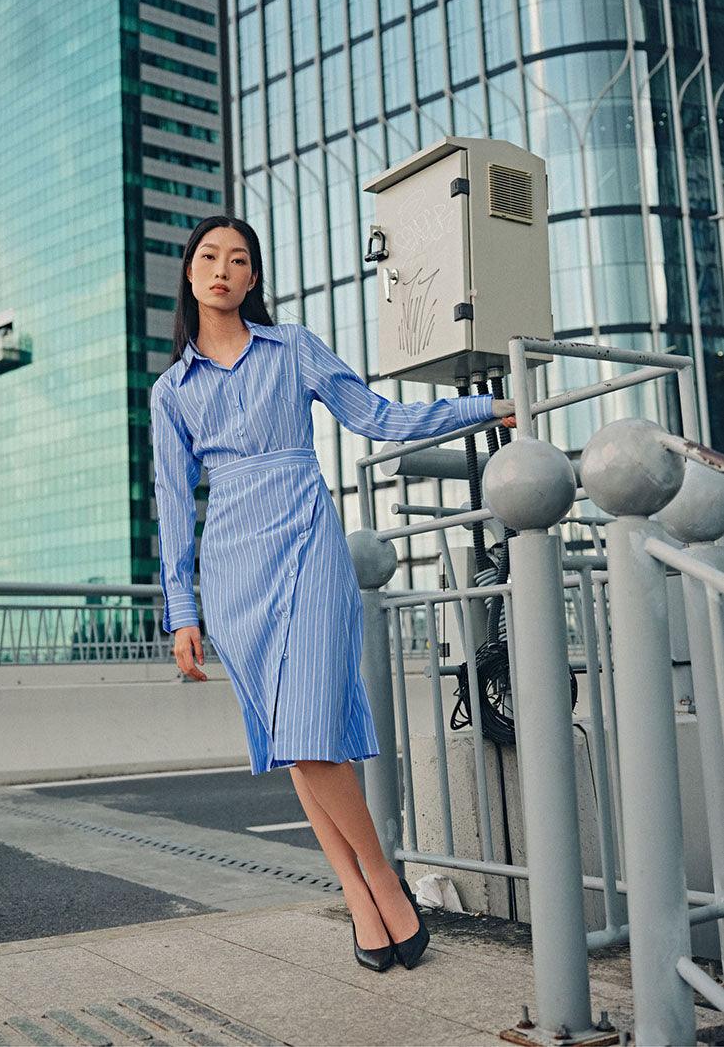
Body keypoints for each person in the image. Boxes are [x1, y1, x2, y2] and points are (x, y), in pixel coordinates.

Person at [150, 215, 517, 973]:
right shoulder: (170, 391)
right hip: (230, 572)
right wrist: (182, 612)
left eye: (239, 259)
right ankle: (357, 895)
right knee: (297, 748)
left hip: (307, 544)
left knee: (313, 730)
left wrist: (484, 409)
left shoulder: (293, 349)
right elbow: (171, 505)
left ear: (253, 279)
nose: (222, 269)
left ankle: (381, 880)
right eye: (208, 257)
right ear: (189, 274)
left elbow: (378, 419)